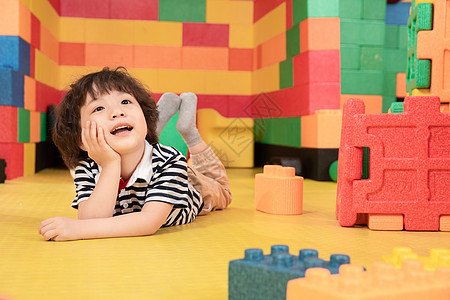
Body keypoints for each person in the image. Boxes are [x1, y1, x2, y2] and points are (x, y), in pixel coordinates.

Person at [38, 67, 232, 241]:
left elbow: (148, 222)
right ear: (81, 139)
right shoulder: (87, 168)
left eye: (125, 101)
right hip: (149, 163)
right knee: (135, 139)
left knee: (223, 191)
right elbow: (93, 220)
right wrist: (110, 165)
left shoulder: (171, 161)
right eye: (98, 108)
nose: (117, 112)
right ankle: (148, 129)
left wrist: (78, 231)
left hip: (193, 187)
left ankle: (189, 133)